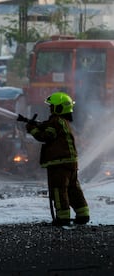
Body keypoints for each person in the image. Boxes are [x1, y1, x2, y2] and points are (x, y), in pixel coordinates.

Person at [25, 92, 90, 226]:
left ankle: (62, 218)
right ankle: (83, 215)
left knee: (59, 190)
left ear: (59, 108)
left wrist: (32, 129)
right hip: (71, 163)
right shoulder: (63, 122)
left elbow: (46, 136)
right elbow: (49, 128)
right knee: (74, 190)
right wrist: (38, 124)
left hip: (59, 164)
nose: (50, 108)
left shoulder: (55, 121)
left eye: (52, 106)